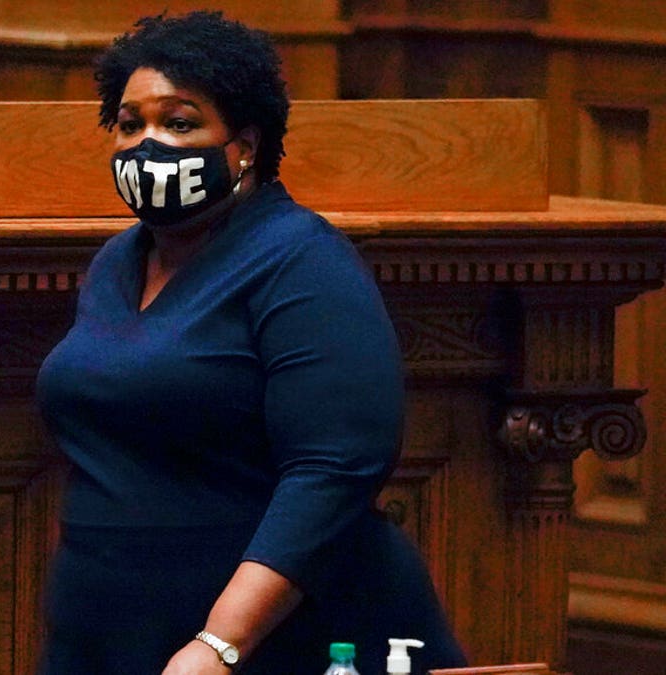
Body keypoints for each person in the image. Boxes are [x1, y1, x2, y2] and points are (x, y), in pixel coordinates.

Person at [34, 11, 468, 675]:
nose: (148, 145)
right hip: (108, 636)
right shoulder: (117, 263)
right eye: (130, 124)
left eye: (179, 123)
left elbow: (334, 465)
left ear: (244, 143)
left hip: (272, 643)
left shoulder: (302, 261)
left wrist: (220, 642)